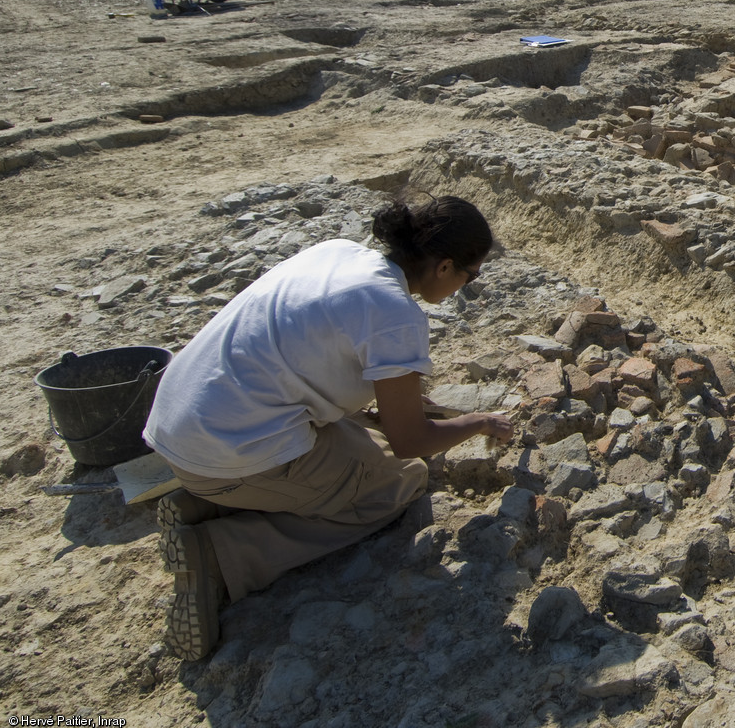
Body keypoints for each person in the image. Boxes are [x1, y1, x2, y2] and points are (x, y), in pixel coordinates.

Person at [143, 194, 513, 660]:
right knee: (399, 482)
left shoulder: (338, 253)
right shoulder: (395, 313)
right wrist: (476, 420)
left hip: (180, 427)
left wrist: (394, 401)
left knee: (365, 443)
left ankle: (207, 502)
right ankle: (222, 555)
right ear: (444, 266)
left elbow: (310, 357)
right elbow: (411, 442)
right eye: (470, 274)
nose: (466, 285)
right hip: (225, 453)